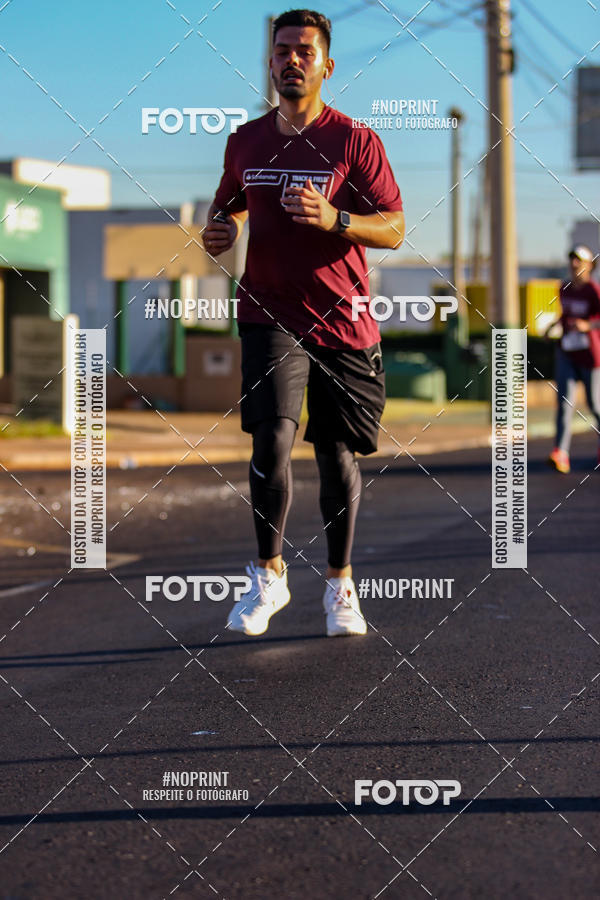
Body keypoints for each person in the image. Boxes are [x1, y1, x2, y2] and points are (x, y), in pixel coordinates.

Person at [202, 9, 404, 636]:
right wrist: (220, 230)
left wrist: (336, 219)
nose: (292, 59)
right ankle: (268, 576)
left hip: (342, 319)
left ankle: (340, 587)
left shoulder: (355, 141)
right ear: (270, 61)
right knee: (272, 441)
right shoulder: (245, 141)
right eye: (282, 49)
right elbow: (227, 208)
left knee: (338, 454)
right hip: (268, 311)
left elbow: (394, 228)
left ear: (326, 66)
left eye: (305, 51)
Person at [545, 245, 600, 474]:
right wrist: (554, 325)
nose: (574, 264)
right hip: (567, 352)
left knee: (595, 405)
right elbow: (565, 314)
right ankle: (561, 452)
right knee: (564, 403)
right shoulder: (564, 287)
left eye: (578, 260)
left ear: (589, 265)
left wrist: (588, 325)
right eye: (571, 260)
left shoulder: (594, 291)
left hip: (591, 356)